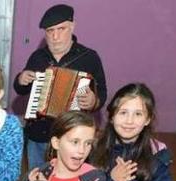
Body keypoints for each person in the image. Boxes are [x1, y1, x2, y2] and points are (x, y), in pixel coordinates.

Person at [13, 4, 107, 170]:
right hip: (39, 134)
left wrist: (94, 101)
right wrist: (20, 79)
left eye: (61, 29)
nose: (55, 36)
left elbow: (102, 93)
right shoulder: (38, 57)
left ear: (72, 26)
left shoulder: (89, 57)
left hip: (73, 135)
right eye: (50, 31)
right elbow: (21, 89)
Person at [90, 83, 173, 181]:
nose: (129, 121)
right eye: (123, 113)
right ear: (112, 117)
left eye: (138, 114)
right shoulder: (93, 147)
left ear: (148, 119)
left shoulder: (157, 153)